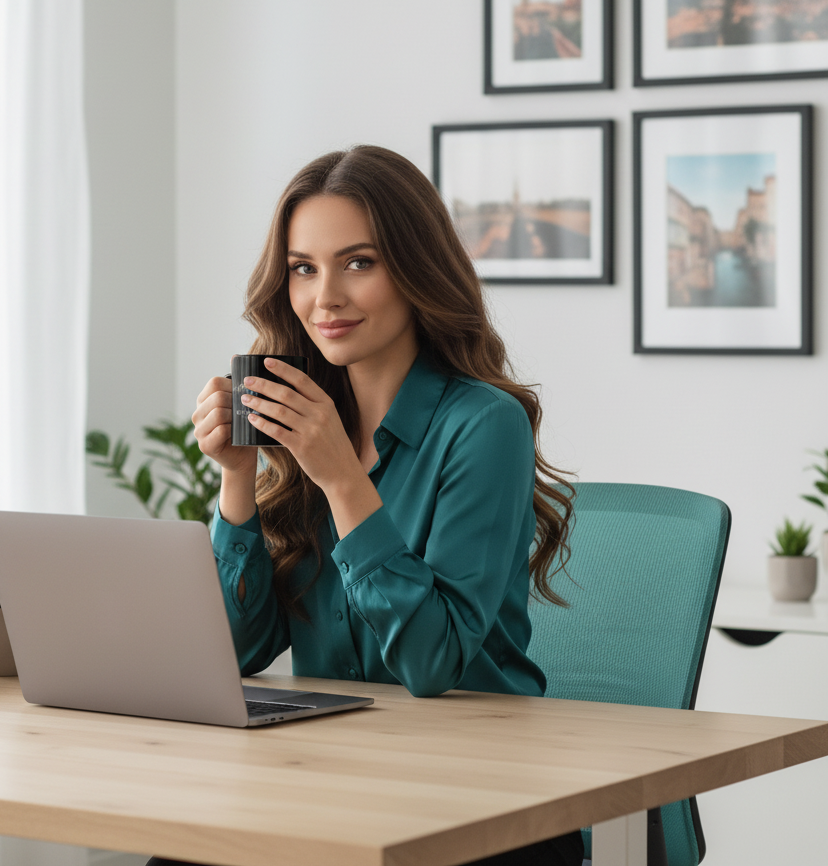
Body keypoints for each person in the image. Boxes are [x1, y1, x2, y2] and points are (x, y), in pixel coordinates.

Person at [152, 146, 580, 866]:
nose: (325, 298)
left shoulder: (483, 425)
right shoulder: (306, 419)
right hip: (332, 781)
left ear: (415, 269)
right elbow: (239, 654)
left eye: (358, 263)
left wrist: (344, 481)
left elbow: (432, 664)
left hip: (481, 802)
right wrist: (237, 478)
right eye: (303, 268)